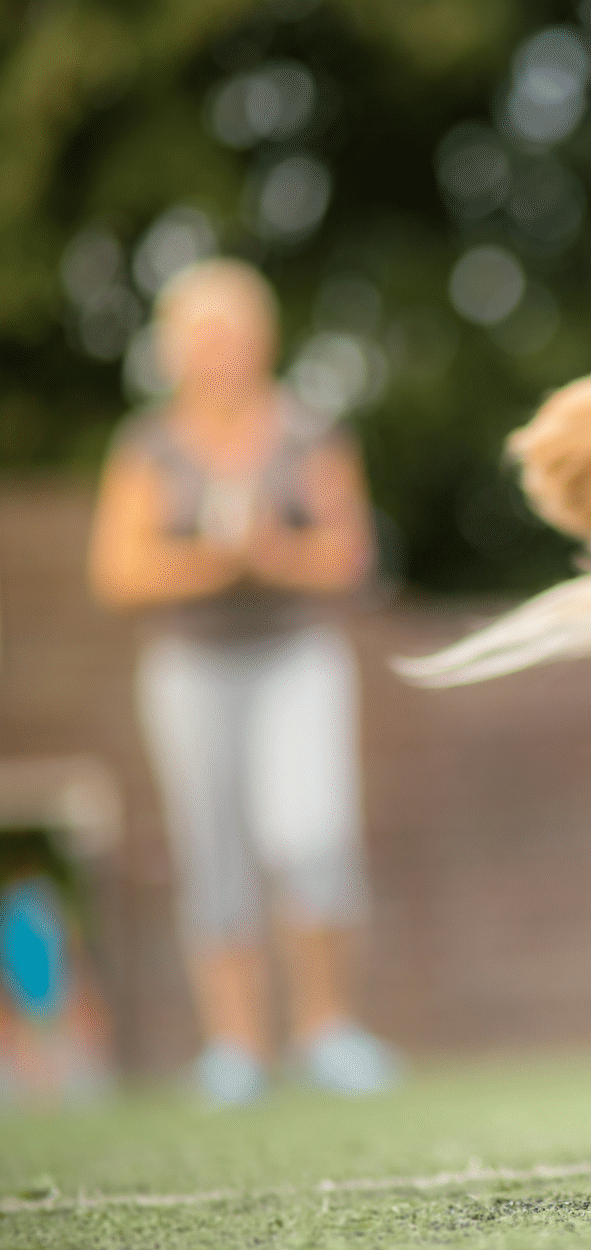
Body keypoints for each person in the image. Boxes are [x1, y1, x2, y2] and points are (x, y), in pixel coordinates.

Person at [87, 258, 395, 1105]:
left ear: (262, 341)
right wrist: (213, 568)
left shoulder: (307, 432)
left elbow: (349, 556)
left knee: (316, 837)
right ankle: (237, 1049)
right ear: (176, 349)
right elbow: (119, 572)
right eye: (202, 336)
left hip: (297, 658)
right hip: (191, 667)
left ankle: (329, 1032)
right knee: (213, 852)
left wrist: (272, 559)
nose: (219, 352)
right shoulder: (148, 444)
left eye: (234, 333)